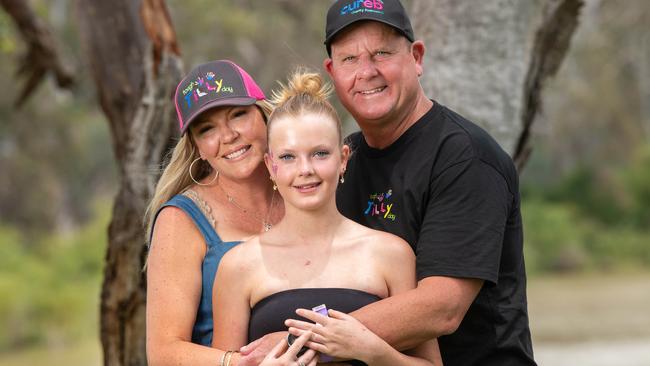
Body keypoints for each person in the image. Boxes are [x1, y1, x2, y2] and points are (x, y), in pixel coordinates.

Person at [251, 0, 537, 365]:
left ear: (416, 57)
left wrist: (300, 341)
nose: (366, 72)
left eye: (382, 53)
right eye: (349, 59)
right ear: (332, 71)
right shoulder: (338, 161)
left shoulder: (465, 158)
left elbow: (442, 308)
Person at [211, 70, 442, 366]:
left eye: (320, 153)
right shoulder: (238, 266)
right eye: (288, 157)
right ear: (270, 166)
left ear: (343, 158)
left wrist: (373, 351)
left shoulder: (391, 254)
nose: (305, 169)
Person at [144, 59, 284, 366]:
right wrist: (244, 363)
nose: (228, 136)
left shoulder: (303, 189)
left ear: (263, 113)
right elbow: (164, 353)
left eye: (238, 114)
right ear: (196, 146)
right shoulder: (180, 220)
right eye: (207, 129)